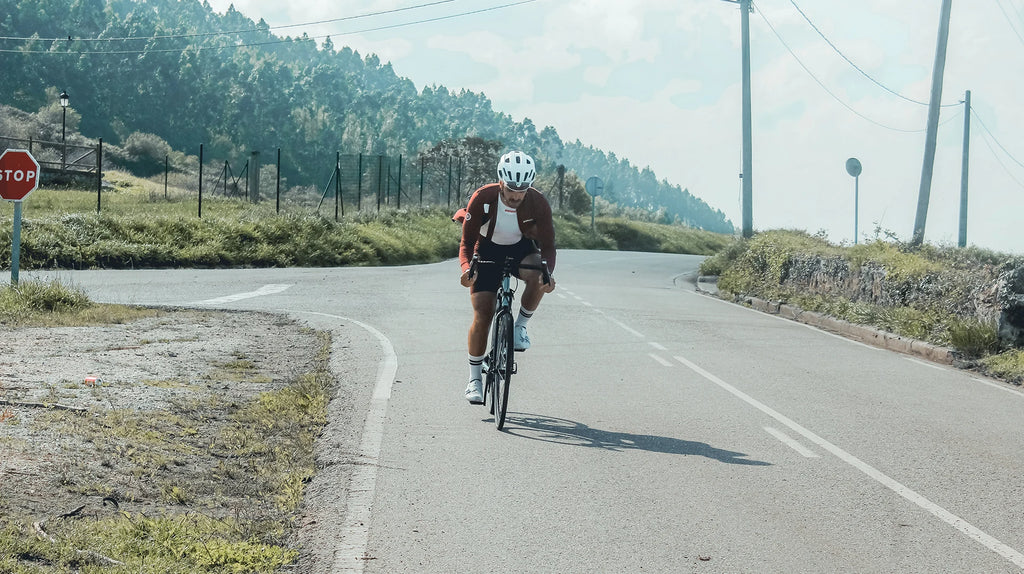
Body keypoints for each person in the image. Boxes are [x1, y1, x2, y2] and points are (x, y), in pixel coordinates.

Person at [455, 150, 557, 404]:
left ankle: (520, 327)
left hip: (521, 250)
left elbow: (548, 246)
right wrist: (467, 268)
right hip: (487, 249)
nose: (516, 195)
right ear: (501, 181)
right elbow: (466, 242)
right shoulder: (483, 197)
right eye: (511, 188)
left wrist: (548, 274)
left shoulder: (538, 202)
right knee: (483, 313)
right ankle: (474, 380)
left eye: (522, 190)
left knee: (538, 275)